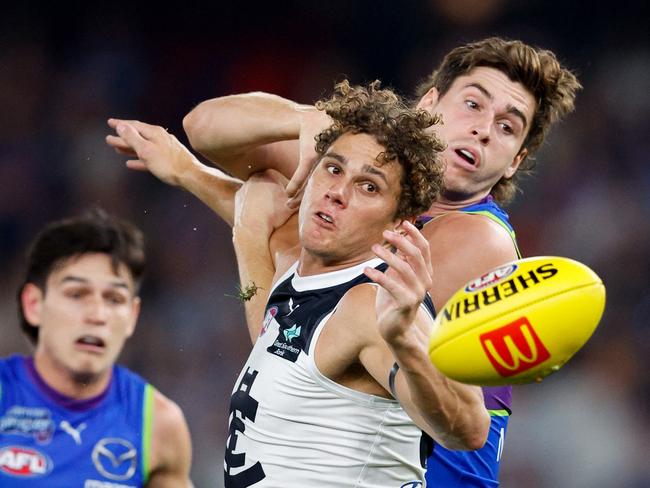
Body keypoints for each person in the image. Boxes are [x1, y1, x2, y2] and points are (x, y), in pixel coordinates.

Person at [108, 80, 492, 487]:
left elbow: (468, 429)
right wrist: (187, 170)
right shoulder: (300, 270)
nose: (337, 193)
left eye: (369, 186)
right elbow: (213, 138)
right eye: (333, 168)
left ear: (399, 223)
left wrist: (405, 341)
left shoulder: (371, 304)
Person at [0, 209, 193, 487]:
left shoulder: (158, 424)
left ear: (132, 316)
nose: (97, 314)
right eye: (77, 294)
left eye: (114, 298)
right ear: (33, 305)